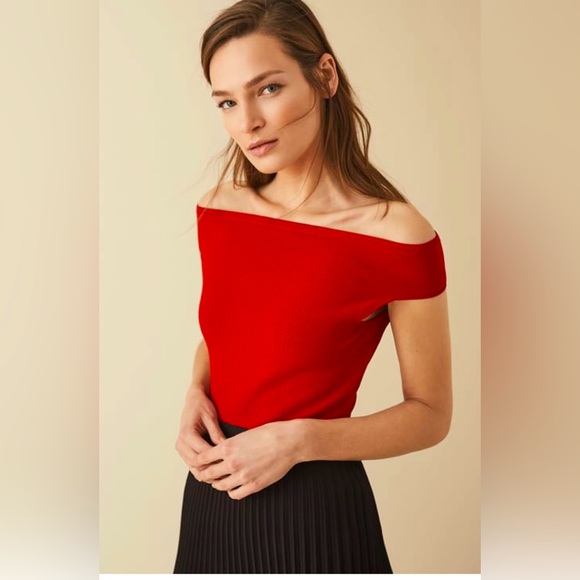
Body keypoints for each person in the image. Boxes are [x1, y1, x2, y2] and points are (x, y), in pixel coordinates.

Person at [173, 0, 452, 574]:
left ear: (324, 76)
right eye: (227, 102)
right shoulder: (220, 209)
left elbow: (430, 413)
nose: (247, 121)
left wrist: (299, 441)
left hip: (316, 511)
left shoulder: (397, 235)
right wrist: (196, 393)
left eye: (268, 89)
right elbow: (234, 331)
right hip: (213, 492)